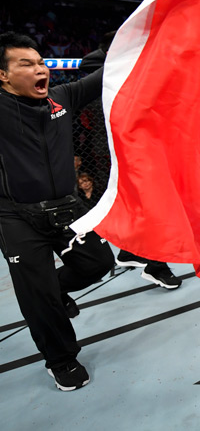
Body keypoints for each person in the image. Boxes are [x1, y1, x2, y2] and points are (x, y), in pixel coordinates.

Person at [0, 32, 115, 391]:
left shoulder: (61, 97)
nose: (40, 69)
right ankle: (61, 359)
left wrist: (123, 39)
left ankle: (58, 289)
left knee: (99, 263)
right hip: (16, 216)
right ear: (3, 75)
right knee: (38, 295)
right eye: (26, 64)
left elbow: (107, 71)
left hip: (67, 207)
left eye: (40, 62)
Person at [77, 33, 183, 291]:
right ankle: (155, 265)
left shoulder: (133, 66)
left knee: (139, 204)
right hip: (108, 150)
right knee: (143, 206)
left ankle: (129, 251)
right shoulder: (98, 68)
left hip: (133, 145)